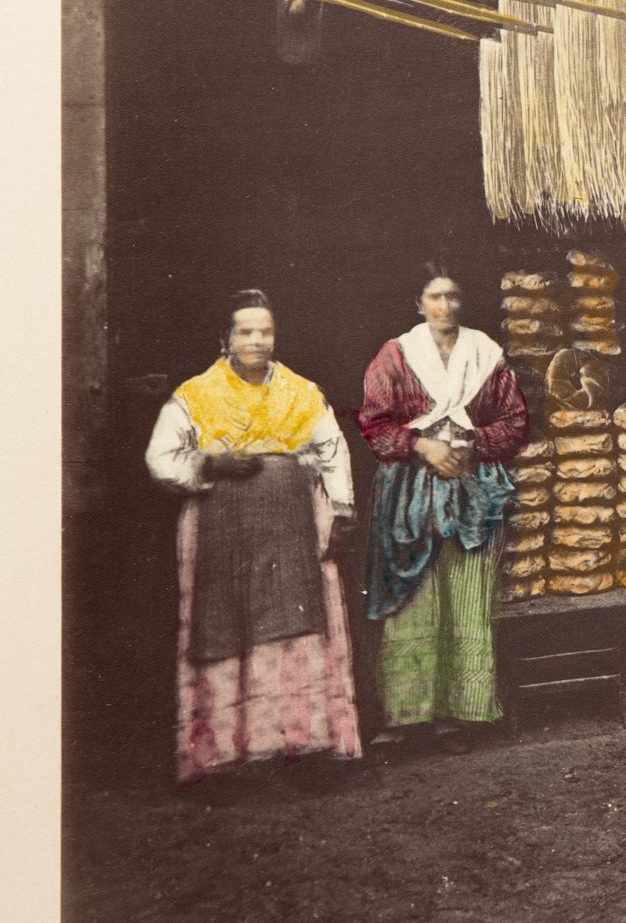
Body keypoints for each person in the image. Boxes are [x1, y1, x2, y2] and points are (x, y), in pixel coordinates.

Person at [145, 290, 362, 788]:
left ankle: (299, 746)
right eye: (246, 331)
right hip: (223, 531)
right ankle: (228, 753)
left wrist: (343, 510)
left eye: (265, 331)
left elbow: (332, 450)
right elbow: (160, 457)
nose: (258, 340)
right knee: (229, 629)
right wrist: (209, 463)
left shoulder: (302, 392)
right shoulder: (196, 395)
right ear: (225, 339)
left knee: (296, 628)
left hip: (293, 529)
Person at [358, 267, 529, 756]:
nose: (446, 306)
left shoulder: (486, 355)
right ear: (419, 303)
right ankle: (407, 716)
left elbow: (515, 422)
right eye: (435, 296)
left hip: (472, 487)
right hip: (410, 488)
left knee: (467, 591)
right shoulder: (395, 355)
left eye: (454, 296)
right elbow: (373, 423)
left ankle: (461, 714)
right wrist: (422, 447)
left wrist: (471, 445)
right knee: (415, 595)